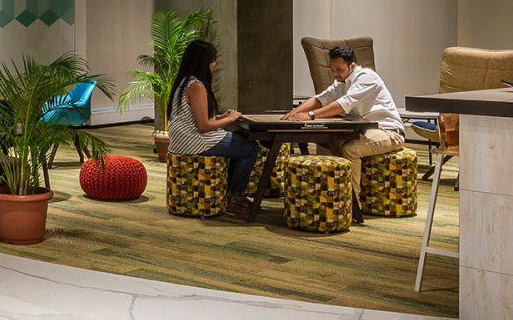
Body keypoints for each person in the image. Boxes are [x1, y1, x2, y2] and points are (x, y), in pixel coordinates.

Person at [284, 43, 406, 215]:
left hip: (389, 131)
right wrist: (295, 112)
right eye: (332, 70)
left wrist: (310, 115)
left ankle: (350, 205)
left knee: (351, 150)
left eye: (339, 70)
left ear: (352, 66)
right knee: (328, 143)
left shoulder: (367, 77)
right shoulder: (341, 81)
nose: (335, 74)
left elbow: (343, 104)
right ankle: (327, 196)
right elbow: (321, 98)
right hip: (364, 130)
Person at [167, 38, 258, 216]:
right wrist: (230, 118)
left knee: (238, 145)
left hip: (181, 140)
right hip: (194, 141)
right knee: (250, 148)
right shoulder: (196, 86)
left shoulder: (184, 81)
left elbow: (195, 117)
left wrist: (220, 117)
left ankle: (230, 193)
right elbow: (203, 126)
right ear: (205, 61)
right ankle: (236, 196)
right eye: (213, 60)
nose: (214, 64)